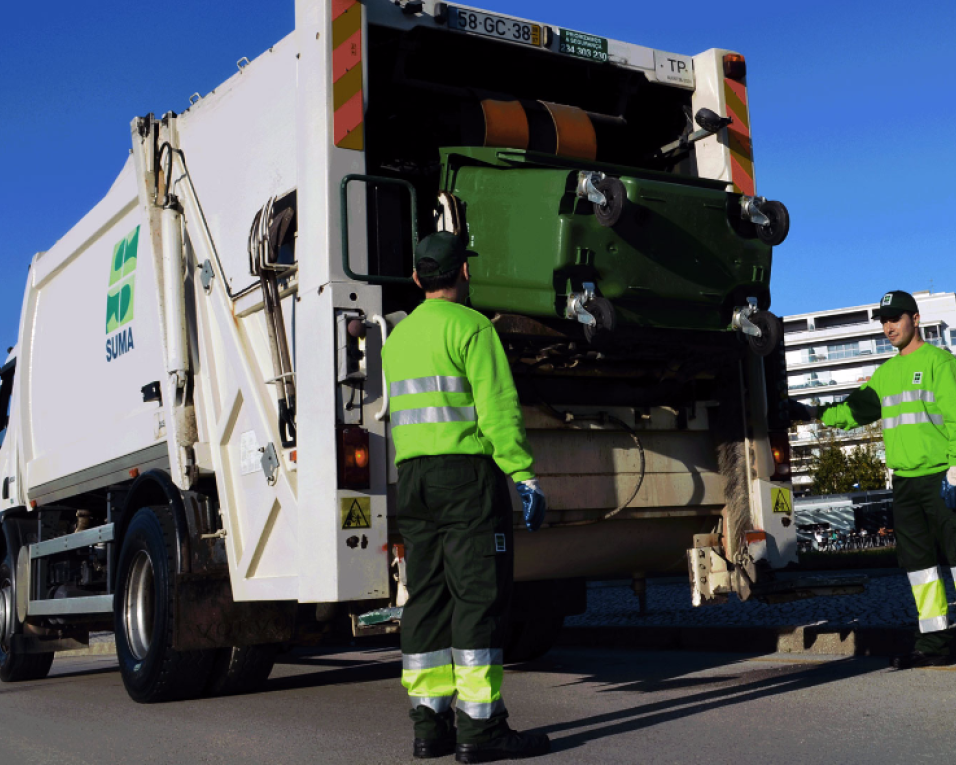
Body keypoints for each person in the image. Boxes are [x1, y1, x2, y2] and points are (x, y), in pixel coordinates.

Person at [382, 232, 551, 762]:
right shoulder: (474, 329)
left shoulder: (398, 338)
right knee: (477, 595)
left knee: (426, 597)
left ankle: (428, 725)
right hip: (465, 478)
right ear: (464, 273)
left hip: (413, 477)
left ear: (416, 278)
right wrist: (523, 475)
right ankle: (481, 729)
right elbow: (497, 411)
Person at [791, 290, 956, 668]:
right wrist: (813, 412)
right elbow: (855, 410)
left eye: (895, 318)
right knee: (920, 570)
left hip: (942, 477)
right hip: (906, 483)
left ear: (915, 318)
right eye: (884, 320)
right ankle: (935, 645)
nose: (888, 326)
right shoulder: (886, 374)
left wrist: (955, 471)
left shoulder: (940, 363)